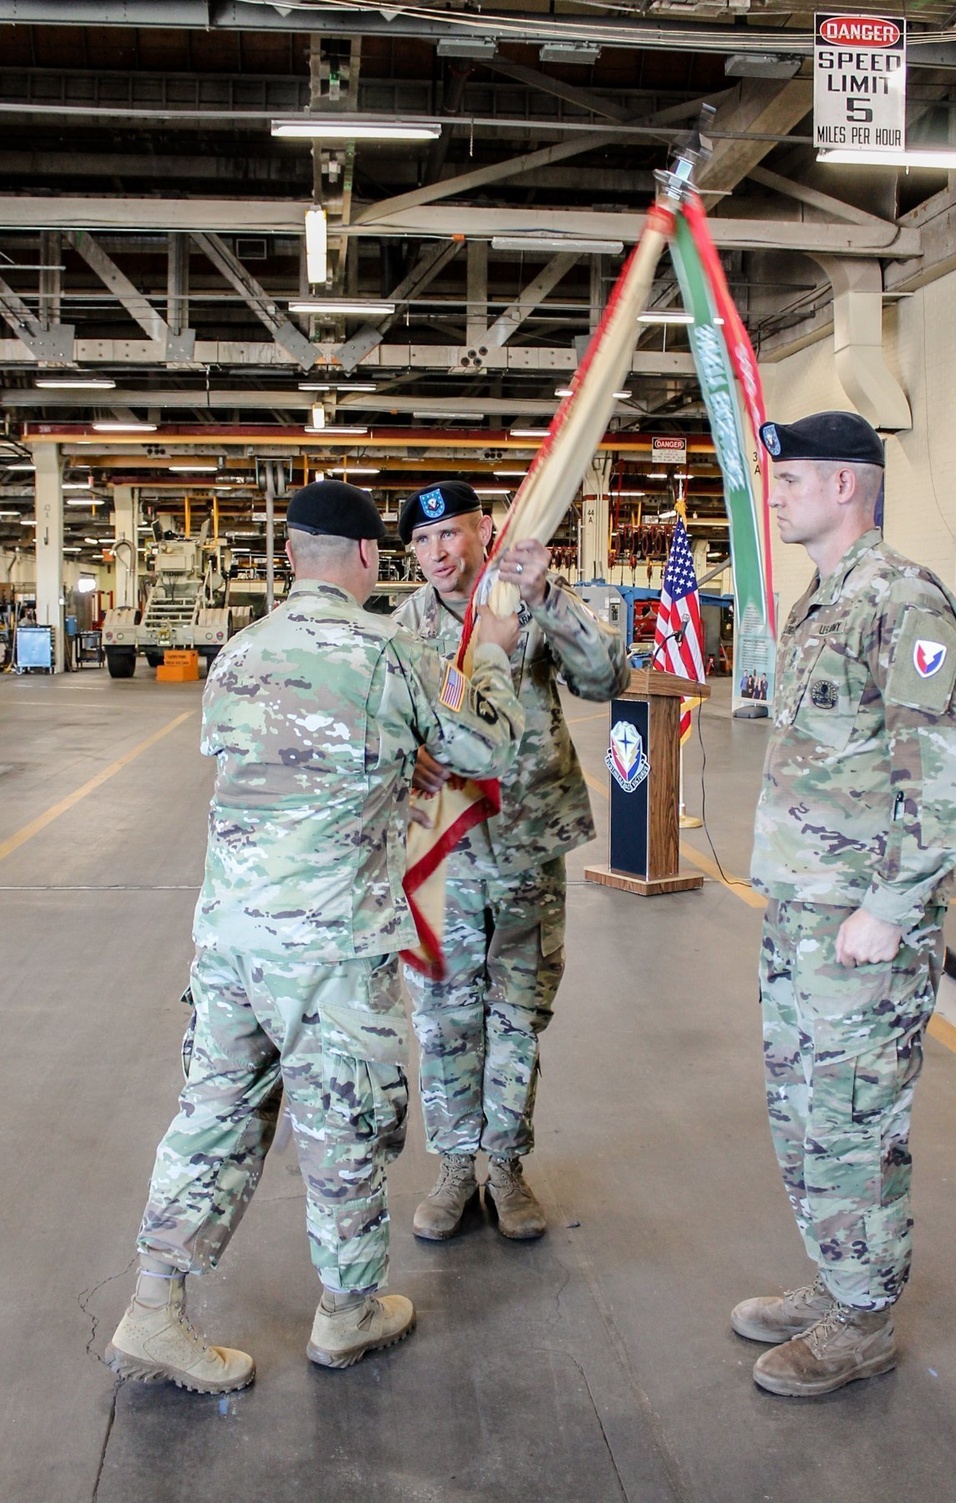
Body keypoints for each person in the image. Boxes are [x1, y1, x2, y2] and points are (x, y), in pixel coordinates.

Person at [105, 480, 524, 1395]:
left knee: (214, 1112)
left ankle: (153, 1310)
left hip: (229, 938)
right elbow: (485, 750)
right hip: (328, 943)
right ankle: (348, 1310)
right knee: (343, 1119)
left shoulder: (237, 654)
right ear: (372, 558)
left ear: (292, 557)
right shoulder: (392, 650)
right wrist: (488, 657)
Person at [732, 411, 956, 1397]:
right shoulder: (818, 603)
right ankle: (839, 1279)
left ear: (845, 487)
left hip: (861, 929)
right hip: (801, 915)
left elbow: (943, 775)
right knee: (801, 1111)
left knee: (851, 1119)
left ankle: (864, 1320)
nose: (776, 491)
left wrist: (889, 905)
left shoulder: (902, 601)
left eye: (790, 478)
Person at [394, 480, 630, 1242]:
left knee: (519, 1014)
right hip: (445, 854)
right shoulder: (406, 626)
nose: (437, 553)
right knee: (444, 1016)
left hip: (526, 844)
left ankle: (506, 1162)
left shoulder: (522, 601)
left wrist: (548, 592)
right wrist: (407, 767)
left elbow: (606, 678)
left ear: (484, 531)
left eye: (451, 535)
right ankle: (457, 1163)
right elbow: (383, 725)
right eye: (423, 543)